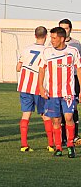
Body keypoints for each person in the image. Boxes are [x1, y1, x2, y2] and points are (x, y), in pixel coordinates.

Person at [37, 27, 80, 158]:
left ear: (62, 38)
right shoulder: (47, 52)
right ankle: (59, 147)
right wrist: (41, 87)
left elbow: (79, 69)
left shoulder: (73, 51)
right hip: (52, 93)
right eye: (51, 38)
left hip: (68, 92)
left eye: (54, 38)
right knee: (56, 120)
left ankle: (71, 145)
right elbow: (41, 69)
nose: (52, 40)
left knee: (69, 118)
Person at [16, 26, 49, 152]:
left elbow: (18, 68)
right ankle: (51, 144)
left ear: (35, 36)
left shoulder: (26, 49)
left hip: (25, 86)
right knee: (45, 115)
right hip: (40, 87)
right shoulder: (48, 50)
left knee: (26, 115)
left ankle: (24, 145)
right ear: (46, 36)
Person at [58, 19, 81, 145]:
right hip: (59, 80)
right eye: (61, 28)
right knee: (60, 107)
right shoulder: (53, 45)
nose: (63, 30)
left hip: (74, 79)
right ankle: (61, 137)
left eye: (66, 28)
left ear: (70, 29)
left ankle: (74, 135)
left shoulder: (76, 44)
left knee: (73, 106)